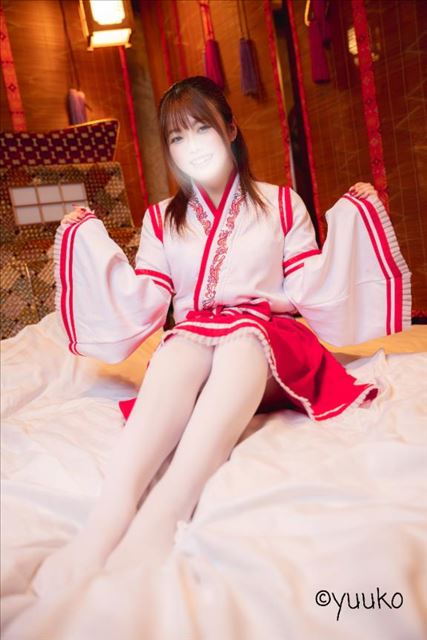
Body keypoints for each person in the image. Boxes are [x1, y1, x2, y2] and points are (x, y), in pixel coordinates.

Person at [33, 75, 411, 595]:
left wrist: (352, 218)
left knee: (240, 341)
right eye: (176, 137)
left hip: (269, 345)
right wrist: (88, 243)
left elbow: (306, 284)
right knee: (179, 347)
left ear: (230, 129)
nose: (191, 146)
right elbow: (147, 299)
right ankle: (106, 520)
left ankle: (168, 509)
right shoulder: (161, 220)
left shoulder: (282, 203)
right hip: (197, 345)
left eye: (202, 129)